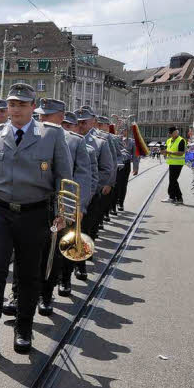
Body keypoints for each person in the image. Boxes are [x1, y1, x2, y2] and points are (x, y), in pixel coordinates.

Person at [0, 84, 73, 355]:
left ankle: (23, 328)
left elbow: (64, 176)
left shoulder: (52, 135)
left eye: (22, 105)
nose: (15, 110)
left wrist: (65, 212)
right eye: (12, 104)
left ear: (33, 107)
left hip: (35, 213)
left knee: (28, 274)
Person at [34, 101, 92, 314]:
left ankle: (46, 294)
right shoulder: (28, 135)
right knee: (26, 252)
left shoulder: (74, 141)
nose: (42, 119)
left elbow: (83, 177)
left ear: (60, 117)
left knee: (54, 252)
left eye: (47, 116)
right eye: (40, 115)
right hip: (33, 201)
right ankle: (18, 293)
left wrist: (78, 207)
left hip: (60, 204)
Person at [73, 108, 115, 281]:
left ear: (93, 122)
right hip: (70, 195)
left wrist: (95, 188)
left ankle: (80, 265)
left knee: (85, 230)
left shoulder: (100, 142)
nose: (81, 125)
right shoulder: (68, 139)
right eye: (79, 121)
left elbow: (107, 168)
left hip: (91, 195)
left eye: (85, 121)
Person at [164, 126, 186, 204]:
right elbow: (166, 150)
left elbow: (181, 153)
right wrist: (163, 152)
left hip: (178, 163)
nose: (171, 135)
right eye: (170, 133)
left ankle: (175, 197)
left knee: (173, 180)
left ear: (176, 132)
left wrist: (169, 152)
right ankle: (175, 198)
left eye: (172, 133)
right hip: (171, 163)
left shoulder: (181, 140)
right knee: (173, 180)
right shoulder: (168, 140)